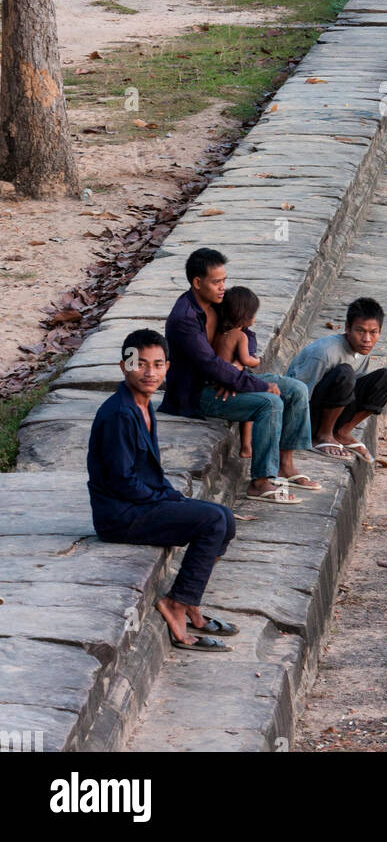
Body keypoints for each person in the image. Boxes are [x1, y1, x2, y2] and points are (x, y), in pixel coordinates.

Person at [86, 328, 237, 653]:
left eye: (157, 364)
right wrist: (165, 499)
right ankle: (176, 605)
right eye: (140, 364)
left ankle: (190, 602)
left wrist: (172, 497)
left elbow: (150, 475)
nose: (149, 372)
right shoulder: (120, 414)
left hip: (140, 504)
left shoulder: (144, 405)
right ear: (123, 366)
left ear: (168, 366)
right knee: (211, 521)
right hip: (121, 516)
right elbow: (121, 481)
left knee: (225, 517)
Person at [162, 248, 316, 502]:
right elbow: (209, 364)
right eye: (216, 282)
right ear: (197, 283)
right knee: (270, 403)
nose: (222, 287)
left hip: (226, 379)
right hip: (198, 393)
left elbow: (245, 329)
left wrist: (238, 365)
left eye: (224, 280)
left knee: (297, 389)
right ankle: (260, 481)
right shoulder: (185, 319)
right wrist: (255, 384)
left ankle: (285, 465)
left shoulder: (218, 303)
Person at [285, 298, 387, 464]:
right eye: (360, 331)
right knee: (345, 373)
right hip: (306, 415)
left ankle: (342, 432)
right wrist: (297, 435)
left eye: (373, 332)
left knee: (386, 377)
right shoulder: (325, 352)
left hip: (334, 410)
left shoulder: (361, 350)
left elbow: (354, 390)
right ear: (347, 328)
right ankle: (323, 435)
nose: (367, 339)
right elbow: (296, 394)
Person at [213, 285, 261, 460]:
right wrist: (257, 360)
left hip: (216, 377)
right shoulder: (240, 336)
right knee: (252, 405)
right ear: (246, 317)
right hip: (232, 378)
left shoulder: (219, 333)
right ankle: (246, 446)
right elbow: (246, 360)